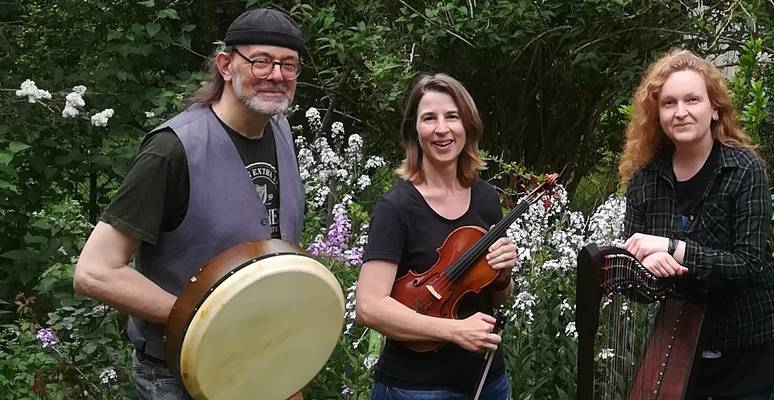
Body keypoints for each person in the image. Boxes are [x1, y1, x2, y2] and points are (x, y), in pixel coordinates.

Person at [72, 8, 308, 399]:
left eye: (289, 65)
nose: (277, 76)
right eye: (262, 61)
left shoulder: (280, 131)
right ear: (226, 65)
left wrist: (284, 370)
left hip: (260, 363)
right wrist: (206, 321)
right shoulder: (173, 150)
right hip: (180, 373)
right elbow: (94, 271)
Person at [617, 49, 774, 400]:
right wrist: (642, 266)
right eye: (668, 103)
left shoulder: (744, 170)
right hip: (679, 346)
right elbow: (631, 279)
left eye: (692, 100)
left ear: (714, 109)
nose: (680, 112)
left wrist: (671, 249)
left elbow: (747, 262)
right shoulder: (645, 182)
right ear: (657, 115)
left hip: (746, 344)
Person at [356, 73, 519, 399]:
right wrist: (454, 330)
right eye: (429, 118)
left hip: (487, 381)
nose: (442, 129)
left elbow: (496, 296)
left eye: (452, 117)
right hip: (416, 387)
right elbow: (368, 307)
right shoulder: (397, 206)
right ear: (414, 131)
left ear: (467, 126)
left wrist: (503, 275)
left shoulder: (486, 199)